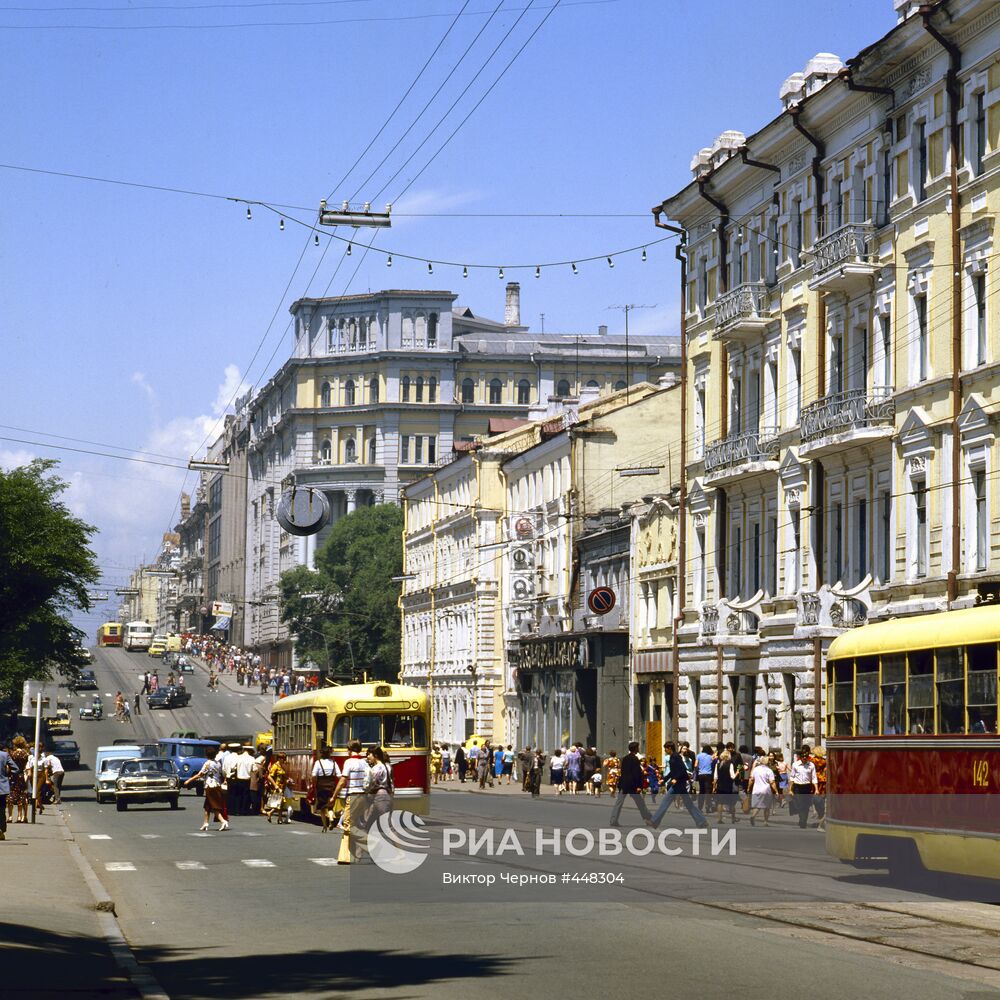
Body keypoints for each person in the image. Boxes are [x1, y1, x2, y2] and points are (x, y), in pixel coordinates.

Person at [649, 742, 708, 829]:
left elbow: (681, 769)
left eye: (665, 748)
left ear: (669, 748)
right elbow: (673, 771)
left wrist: (675, 779)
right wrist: (664, 779)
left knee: (665, 802)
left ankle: (654, 821)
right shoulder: (673, 756)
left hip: (678, 783)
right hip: (679, 783)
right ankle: (702, 821)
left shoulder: (676, 757)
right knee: (689, 804)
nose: (665, 750)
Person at [333, 740, 369, 865]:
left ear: (349, 749)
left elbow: (342, 781)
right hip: (363, 796)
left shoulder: (349, 762)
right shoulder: (364, 762)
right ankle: (346, 856)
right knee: (355, 824)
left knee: (347, 825)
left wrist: (334, 795)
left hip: (353, 795)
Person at [609, 742, 652, 827]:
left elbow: (623, 772)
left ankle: (613, 820)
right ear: (636, 748)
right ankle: (648, 819)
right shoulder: (635, 759)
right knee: (640, 803)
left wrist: (621, 783)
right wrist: (639, 786)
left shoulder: (625, 758)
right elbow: (637, 774)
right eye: (638, 747)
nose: (638, 749)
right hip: (633, 785)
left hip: (624, 784)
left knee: (619, 803)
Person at [186, 747, 228, 831]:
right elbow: (222, 774)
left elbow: (200, 774)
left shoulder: (207, 763)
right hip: (217, 785)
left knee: (214, 806)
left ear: (206, 755)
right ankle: (205, 823)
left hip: (210, 786)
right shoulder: (218, 763)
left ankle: (223, 821)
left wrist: (189, 780)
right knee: (207, 807)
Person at [312, 747, 342, 832]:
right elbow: (339, 775)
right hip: (331, 785)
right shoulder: (334, 763)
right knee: (330, 806)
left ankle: (325, 826)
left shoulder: (318, 763)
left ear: (321, 754)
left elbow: (314, 774)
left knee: (322, 807)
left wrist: (315, 783)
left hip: (321, 786)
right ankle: (331, 818)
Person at [789, 748, 817, 829]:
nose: (804, 758)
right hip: (797, 786)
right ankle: (802, 819)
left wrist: (816, 789)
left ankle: (803, 821)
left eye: (806, 756)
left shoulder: (811, 765)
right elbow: (792, 777)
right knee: (799, 804)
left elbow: (814, 778)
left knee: (806, 805)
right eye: (803, 756)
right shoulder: (795, 764)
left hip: (807, 786)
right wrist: (790, 789)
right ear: (800, 757)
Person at [748, 755, 778, 827]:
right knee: (766, 807)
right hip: (766, 790)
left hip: (756, 790)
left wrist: (748, 788)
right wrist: (776, 791)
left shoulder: (756, 769)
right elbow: (772, 782)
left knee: (757, 806)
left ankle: (753, 815)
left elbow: (751, 779)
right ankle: (765, 822)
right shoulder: (769, 771)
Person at [0, 741, 20, 841]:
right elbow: (16, 769)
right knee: (1, 808)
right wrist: (8, 775)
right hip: (2, 786)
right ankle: (1, 829)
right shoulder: (4, 755)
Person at [712, 750, 739, 824]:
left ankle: (719, 819)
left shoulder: (718, 764)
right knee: (731, 803)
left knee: (720, 803)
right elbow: (732, 776)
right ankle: (733, 818)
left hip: (720, 786)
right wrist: (737, 772)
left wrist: (714, 787)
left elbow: (715, 777)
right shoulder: (730, 764)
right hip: (728, 786)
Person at [7, 736, 29, 825]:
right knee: (21, 796)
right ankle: (20, 816)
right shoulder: (25, 754)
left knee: (11, 795)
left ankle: (10, 816)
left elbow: (9, 766)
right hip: (21, 776)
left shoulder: (12, 754)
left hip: (13, 776)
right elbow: (25, 766)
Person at [264, 752, 289, 824]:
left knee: (280, 803)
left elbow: (283, 775)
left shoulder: (281, 766)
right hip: (277, 786)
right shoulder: (275, 766)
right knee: (280, 802)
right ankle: (270, 813)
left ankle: (279, 818)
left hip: (282, 786)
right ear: (279, 758)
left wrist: (287, 780)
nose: (284, 760)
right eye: (283, 758)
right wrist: (275, 785)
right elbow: (269, 776)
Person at [695, 745, 715, 813]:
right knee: (708, 791)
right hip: (709, 775)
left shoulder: (698, 755)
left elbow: (695, 765)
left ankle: (700, 807)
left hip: (701, 775)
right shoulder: (710, 757)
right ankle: (707, 807)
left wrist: (699, 769)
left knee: (701, 791)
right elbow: (713, 763)